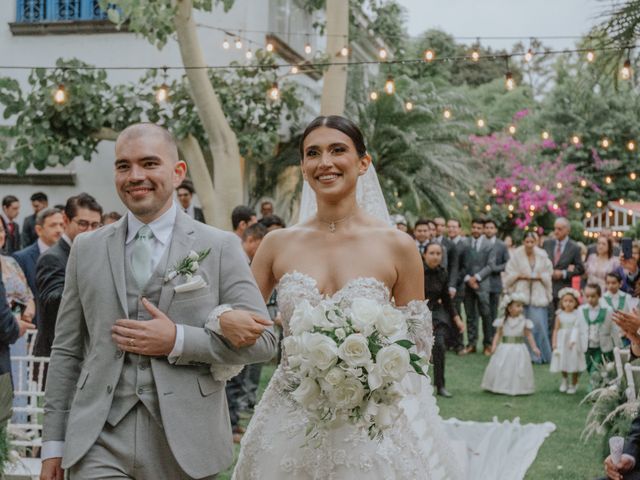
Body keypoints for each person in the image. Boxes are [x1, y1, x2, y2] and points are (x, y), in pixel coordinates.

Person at [232, 115, 556, 480]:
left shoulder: (398, 246)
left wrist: (365, 364)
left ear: (363, 163)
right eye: (313, 153)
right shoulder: (277, 244)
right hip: (290, 412)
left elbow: (417, 343)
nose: (325, 162)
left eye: (338, 150)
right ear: (304, 167)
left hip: (370, 420)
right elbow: (243, 321)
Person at [39, 123, 276, 480]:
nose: (135, 176)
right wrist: (53, 444)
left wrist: (179, 340)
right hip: (98, 438)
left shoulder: (220, 246)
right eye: (123, 166)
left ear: (178, 172)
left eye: (149, 163)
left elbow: (266, 344)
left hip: (186, 441)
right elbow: (67, 351)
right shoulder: (86, 250)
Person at [33, 195, 103, 363]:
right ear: (66, 219)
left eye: (95, 225)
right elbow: (53, 302)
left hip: (90, 352)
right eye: (83, 224)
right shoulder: (52, 258)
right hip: (57, 354)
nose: (89, 231)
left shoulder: (97, 254)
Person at [226, 222, 268, 442]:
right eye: (259, 246)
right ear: (250, 239)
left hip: (243, 328)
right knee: (232, 382)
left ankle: (233, 424)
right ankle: (230, 426)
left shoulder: (248, 260)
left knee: (237, 379)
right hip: (232, 326)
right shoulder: (236, 258)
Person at [503, 232, 553, 363]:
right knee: (522, 326)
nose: (530, 245)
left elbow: (548, 273)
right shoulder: (516, 256)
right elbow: (509, 274)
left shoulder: (542, 256)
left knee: (539, 325)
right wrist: (519, 276)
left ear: (536, 243)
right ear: (523, 242)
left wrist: (539, 277)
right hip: (521, 293)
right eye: (527, 242)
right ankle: (523, 356)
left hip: (538, 294)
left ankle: (541, 355)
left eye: (532, 242)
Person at [423, 242, 464, 398]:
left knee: (439, 346)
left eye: (438, 254)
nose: (435, 257)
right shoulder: (417, 272)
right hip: (419, 313)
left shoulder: (443, 273)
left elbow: (446, 299)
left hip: (438, 315)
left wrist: (457, 319)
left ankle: (440, 385)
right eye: (432, 253)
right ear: (424, 255)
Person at [12, 208, 65, 326]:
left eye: (62, 225)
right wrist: (24, 317)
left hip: (62, 328)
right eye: (53, 225)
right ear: (39, 230)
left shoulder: (70, 256)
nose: (59, 230)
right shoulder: (21, 258)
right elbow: (14, 298)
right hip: (33, 327)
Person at [481, 293, 540, 396]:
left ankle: (519, 387)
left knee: (518, 367)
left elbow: (529, 335)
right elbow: (498, 335)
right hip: (505, 347)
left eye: (521, 306)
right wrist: (494, 346)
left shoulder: (524, 322)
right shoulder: (502, 322)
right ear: (509, 308)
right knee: (503, 366)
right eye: (517, 306)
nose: (520, 308)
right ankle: (501, 386)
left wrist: (534, 347)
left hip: (519, 348)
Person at [543, 218, 585, 338]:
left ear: (567, 230)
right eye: (555, 228)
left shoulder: (574, 247)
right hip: (548, 288)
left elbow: (580, 269)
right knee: (549, 319)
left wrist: (564, 273)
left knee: (563, 319)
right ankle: (550, 348)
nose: (556, 231)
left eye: (560, 229)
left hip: (564, 290)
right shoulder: (547, 244)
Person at [461, 218, 494, 355]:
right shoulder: (465, 243)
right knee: (470, 315)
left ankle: (487, 344)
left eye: (479, 228)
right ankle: (471, 344)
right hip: (467, 284)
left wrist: (477, 278)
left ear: (483, 229)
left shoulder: (489, 244)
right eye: (474, 227)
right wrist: (469, 278)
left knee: (486, 315)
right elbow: (461, 264)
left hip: (483, 284)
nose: (476, 230)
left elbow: (490, 265)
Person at [550, 288, 586, 394]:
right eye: (565, 301)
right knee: (563, 360)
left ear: (575, 302)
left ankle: (574, 383)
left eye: (571, 301)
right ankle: (564, 380)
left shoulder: (577, 314)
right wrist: (554, 344)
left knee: (574, 361)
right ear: (562, 302)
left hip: (574, 341)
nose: (568, 303)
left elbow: (579, 327)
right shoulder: (559, 314)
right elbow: (556, 330)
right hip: (563, 341)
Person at [580, 283, 617, 375]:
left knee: (596, 369)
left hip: (601, 346)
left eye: (593, 296)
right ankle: (599, 384)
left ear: (599, 296)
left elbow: (613, 328)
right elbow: (577, 327)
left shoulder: (607, 310)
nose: (590, 299)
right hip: (587, 346)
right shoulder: (581, 310)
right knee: (589, 367)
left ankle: (594, 386)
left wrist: (617, 344)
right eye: (587, 296)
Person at [447, 218, 468, 354]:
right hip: (444, 285)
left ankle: (459, 344)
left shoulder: (464, 245)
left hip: (458, 286)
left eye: (454, 227)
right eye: (449, 227)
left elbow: (465, 268)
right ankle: (449, 342)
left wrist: (453, 283)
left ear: (459, 229)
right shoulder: (445, 244)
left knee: (457, 314)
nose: (451, 229)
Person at [483, 219, 509, 323]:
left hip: (495, 283)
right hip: (481, 284)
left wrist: (495, 269)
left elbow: (508, 263)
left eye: (491, 228)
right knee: (483, 313)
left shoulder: (501, 245)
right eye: (487, 228)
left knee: (493, 313)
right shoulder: (481, 243)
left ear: (495, 230)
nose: (489, 230)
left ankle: (492, 337)